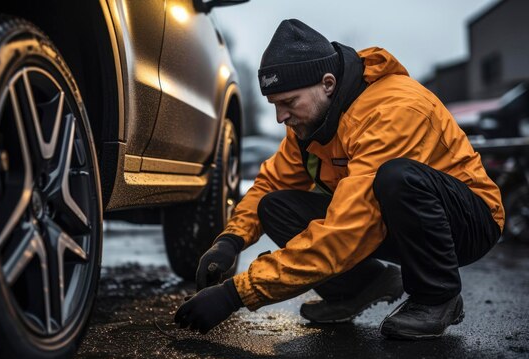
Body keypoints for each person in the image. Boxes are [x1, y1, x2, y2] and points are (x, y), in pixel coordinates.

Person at [174, 19, 504, 340]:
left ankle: (437, 296)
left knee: (395, 177)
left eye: (288, 103)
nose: (280, 117)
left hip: (467, 222)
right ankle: (359, 287)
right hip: (393, 221)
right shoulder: (311, 124)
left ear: (328, 84)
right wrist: (229, 241)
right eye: (274, 105)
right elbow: (269, 185)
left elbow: (348, 228)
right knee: (274, 205)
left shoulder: (393, 110)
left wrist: (236, 294)